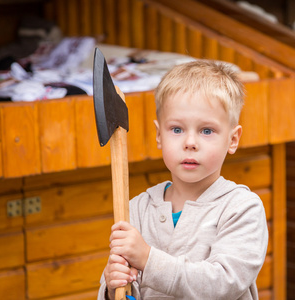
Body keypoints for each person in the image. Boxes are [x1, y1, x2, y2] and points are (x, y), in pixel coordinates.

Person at [98, 60, 269, 300]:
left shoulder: (242, 208)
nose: (190, 142)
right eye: (177, 129)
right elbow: (127, 290)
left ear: (232, 139)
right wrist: (111, 285)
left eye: (206, 130)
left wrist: (147, 258)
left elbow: (224, 283)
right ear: (159, 135)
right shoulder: (136, 210)